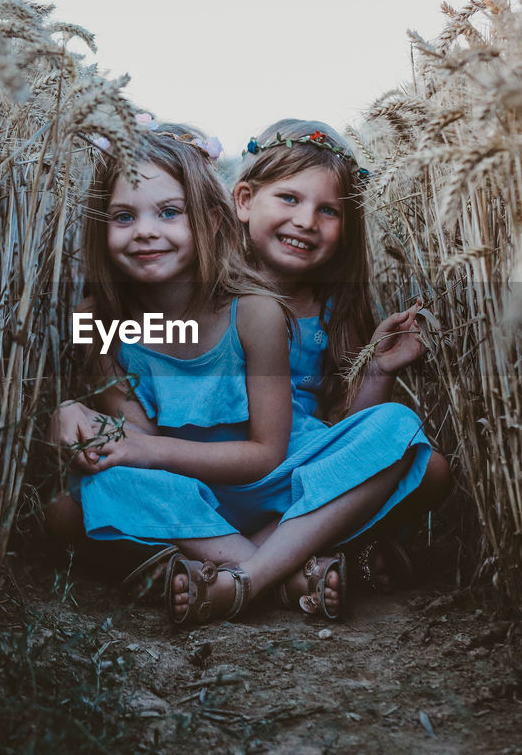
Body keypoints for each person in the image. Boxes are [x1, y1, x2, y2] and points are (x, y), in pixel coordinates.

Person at [50, 117, 430, 626]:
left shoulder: (254, 313)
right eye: (122, 216)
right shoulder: (98, 321)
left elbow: (265, 453)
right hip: (188, 493)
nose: (145, 231)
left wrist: (138, 447)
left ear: (210, 222)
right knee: (82, 499)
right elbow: (132, 441)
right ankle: (285, 572)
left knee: (398, 430)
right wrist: (77, 416)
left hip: (274, 480)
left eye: (168, 212)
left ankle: (242, 579)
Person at [232, 118, 452, 594]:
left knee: (428, 465)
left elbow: (344, 426)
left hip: (305, 473)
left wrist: (377, 367)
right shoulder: (212, 296)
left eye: (328, 210)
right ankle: (302, 562)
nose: (306, 221)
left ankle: (280, 558)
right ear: (246, 201)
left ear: (346, 228)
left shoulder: (332, 308)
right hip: (231, 468)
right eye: (289, 198)